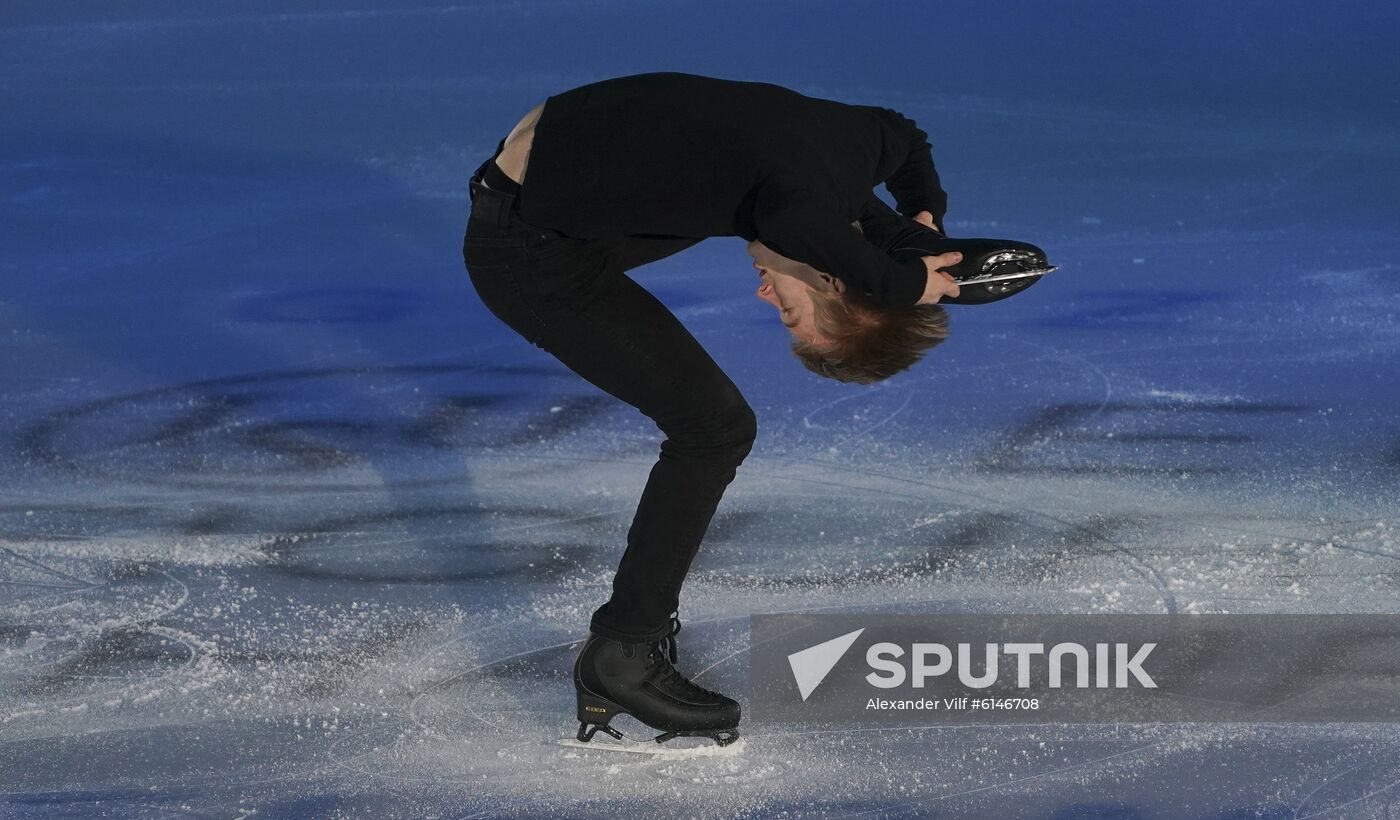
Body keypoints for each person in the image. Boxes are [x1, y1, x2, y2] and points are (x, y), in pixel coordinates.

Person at [461, 72, 963, 746]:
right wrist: (898, 280)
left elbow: (909, 136)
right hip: (528, 252)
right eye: (791, 311)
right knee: (716, 429)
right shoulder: (800, 207)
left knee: (755, 200)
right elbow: (793, 223)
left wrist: (920, 219)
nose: (765, 301)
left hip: (558, 180)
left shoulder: (850, 150)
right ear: (841, 275)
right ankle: (623, 652)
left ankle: (869, 243)